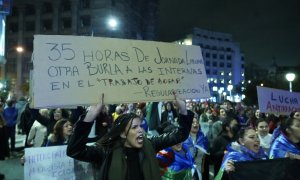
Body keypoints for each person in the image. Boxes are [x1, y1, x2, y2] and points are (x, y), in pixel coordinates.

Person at [67, 94, 193, 180]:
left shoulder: (150, 143)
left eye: (140, 126)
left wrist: (183, 110)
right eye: (134, 127)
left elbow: (180, 134)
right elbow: (74, 150)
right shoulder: (106, 151)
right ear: (122, 133)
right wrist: (90, 117)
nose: (140, 130)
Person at [183, 114, 209, 180]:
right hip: (186, 170)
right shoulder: (183, 138)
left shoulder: (203, 138)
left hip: (199, 170)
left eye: (197, 122)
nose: (195, 124)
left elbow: (205, 155)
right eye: (193, 122)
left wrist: (202, 167)